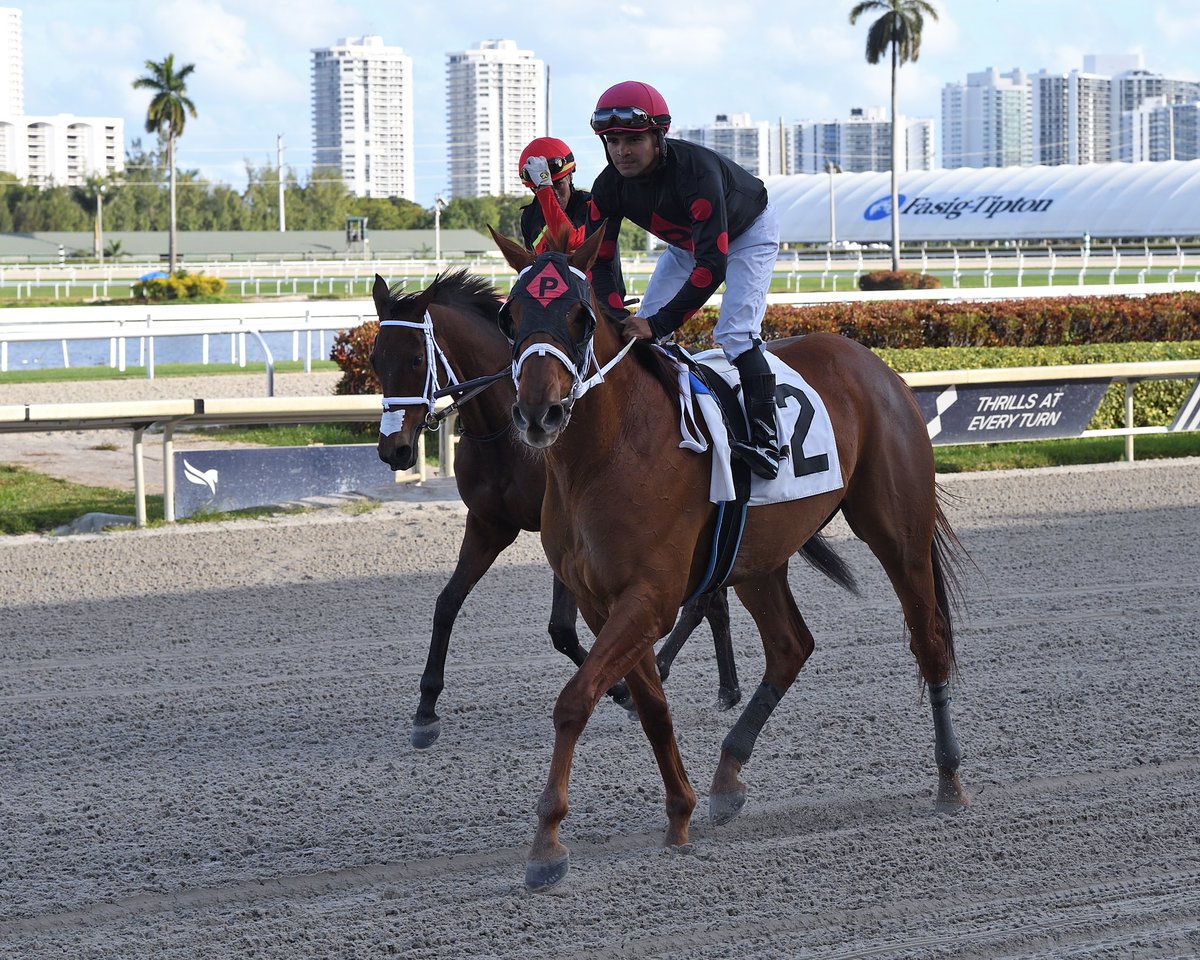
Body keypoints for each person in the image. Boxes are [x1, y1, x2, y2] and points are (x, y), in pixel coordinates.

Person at [584, 80, 782, 480]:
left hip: (747, 234)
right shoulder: (607, 186)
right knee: (632, 334)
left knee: (735, 334)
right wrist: (617, 311)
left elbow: (712, 265)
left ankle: (767, 439)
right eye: (613, 141)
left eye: (632, 140)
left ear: (659, 137)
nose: (621, 151)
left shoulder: (697, 173)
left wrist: (655, 323)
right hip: (685, 243)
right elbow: (599, 264)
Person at [519, 137, 625, 293]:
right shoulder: (529, 216)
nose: (553, 193)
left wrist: (544, 187)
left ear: (570, 176)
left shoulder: (592, 205)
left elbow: (571, 243)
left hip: (599, 300)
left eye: (557, 184)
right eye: (536, 189)